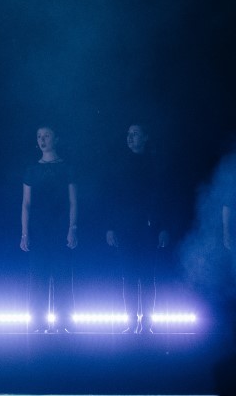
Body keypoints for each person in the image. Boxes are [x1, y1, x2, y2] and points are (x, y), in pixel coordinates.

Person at [105, 124, 169, 333]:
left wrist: (163, 227)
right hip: (125, 227)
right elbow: (113, 197)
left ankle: (148, 322)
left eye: (135, 134)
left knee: (148, 276)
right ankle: (132, 321)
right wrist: (111, 227)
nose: (130, 137)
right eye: (128, 134)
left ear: (145, 137)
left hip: (149, 227)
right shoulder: (119, 164)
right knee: (129, 276)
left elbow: (163, 198)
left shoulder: (155, 164)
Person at [20, 126, 77, 332]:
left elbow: (73, 201)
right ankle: (37, 322)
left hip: (60, 227)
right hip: (38, 229)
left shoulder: (66, 167)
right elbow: (26, 204)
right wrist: (24, 233)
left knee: (62, 274)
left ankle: (64, 323)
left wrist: (72, 228)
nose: (42, 140)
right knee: (38, 276)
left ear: (56, 139)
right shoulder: (32, 169)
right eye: (39, 136)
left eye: (46, 136)